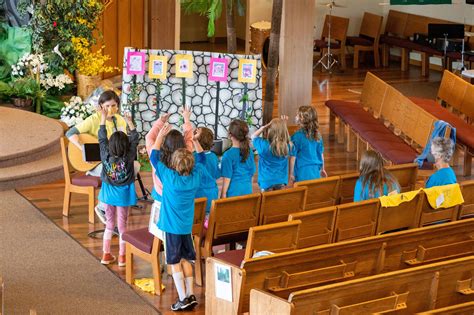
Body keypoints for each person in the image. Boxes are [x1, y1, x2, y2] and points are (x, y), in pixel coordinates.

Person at [149, 123, 210, 311]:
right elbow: (202, 159)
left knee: (174, 262)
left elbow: (153, 155)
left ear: (174, 164)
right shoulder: (196, 176)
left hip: (171, 228)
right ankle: (190, 294)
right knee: (187, 260)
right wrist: (196, 141)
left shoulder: (168, 176)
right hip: (186, 227)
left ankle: (183, 297)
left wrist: (159, 134)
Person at [65, 90, 141, 224]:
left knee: (135, 166)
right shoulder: (93, 120)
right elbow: (70, 133)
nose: (110, 109)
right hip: (96, 164)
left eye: (113, 105)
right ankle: (102, 207)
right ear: (100, 106)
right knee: (113, 170)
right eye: (107, 106)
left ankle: (122, 200)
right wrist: (83, 149)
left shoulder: (120, 120)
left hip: (112, 161)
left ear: (117, 105)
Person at [97, 107, 139, 266]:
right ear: (126, 146)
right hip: (123, 196)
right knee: (122, 226)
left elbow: (102, 138)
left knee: (109, 224)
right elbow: (135, 138)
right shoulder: (129, 156)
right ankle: (122, 257)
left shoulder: (105, 155)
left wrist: (102, 118)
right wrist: (130, 122)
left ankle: (106, 255)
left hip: (108, 195)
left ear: (110, 145)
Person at [145, 109, 193, 239]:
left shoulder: (158, 157)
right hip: (181, 199)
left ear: (164, 142)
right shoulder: (187, 154)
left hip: (161, 197)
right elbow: (190, 138)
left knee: (159, 231)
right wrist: (186, 119)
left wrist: (161, 123)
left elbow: (149, 138)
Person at [251, 116, 294, 191]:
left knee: (266, 202)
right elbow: (284, 137)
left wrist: (264, 127)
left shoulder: (263, 145)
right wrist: (283, 126)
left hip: (266, 181)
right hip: (281, 180)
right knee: (278, 202)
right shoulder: (288, 146)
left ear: (270, 130)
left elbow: (253, 136)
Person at [290, 105, 326, 184]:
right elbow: (321, 154)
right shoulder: (318, 136)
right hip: (316, 171)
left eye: (297, 115)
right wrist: (323, 169)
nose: (295, 117)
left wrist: (291, 173)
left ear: (302, 119)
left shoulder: (296, 137)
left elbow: (293, 157)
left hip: (302, 172)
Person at [221, 120, 256, 198]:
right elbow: (252, 172)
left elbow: (227, 178)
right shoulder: (249, 151)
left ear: (230, 135)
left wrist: (223, 194)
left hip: (233, 192)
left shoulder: (228, 155)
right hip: (248, 190)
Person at [193, 127, 220, 216]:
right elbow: (216, 175)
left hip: (198, 195)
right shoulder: (214, 157)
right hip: (212, 195)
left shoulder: (193, 157)